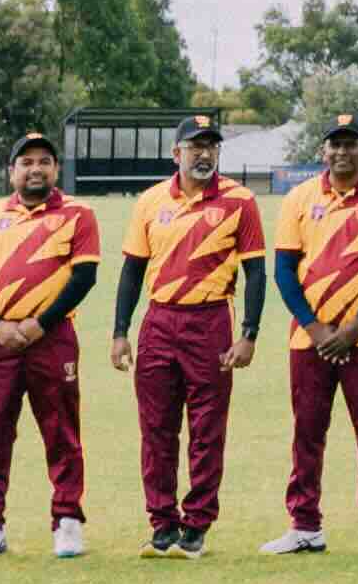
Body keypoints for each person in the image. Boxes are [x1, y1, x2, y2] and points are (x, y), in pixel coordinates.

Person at [110, 113, 268, 558]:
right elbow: (132, 271)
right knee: (156, 428)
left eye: (211, 146)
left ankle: (196, 526)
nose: (204, 153)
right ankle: (162, 524)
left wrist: (248, 334)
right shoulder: (150, 201)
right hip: (159, 322)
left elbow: (256, 272)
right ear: (175, 153)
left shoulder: (240, 202)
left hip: (211, 322)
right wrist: (120, 332)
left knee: (206, 430)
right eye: (195, 146)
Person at [269, 115, 358, 557]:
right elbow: (284, 271)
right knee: (307, 431)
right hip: (309, 340)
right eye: (335, 144)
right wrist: (314, 328)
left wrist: (354, 328)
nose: (342, 152)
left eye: (351, 144)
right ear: (323, 151)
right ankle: (305, 525)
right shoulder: (299, 198)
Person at [0, 129, 99, 557]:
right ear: (11, 171)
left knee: (61, 430)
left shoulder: (78, 214)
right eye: (26, 162)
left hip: (52, 339)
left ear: (56, 169)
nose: (35, 169)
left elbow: (84, 277)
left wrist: (41, 322)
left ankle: (68, 520)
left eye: (44, 162)